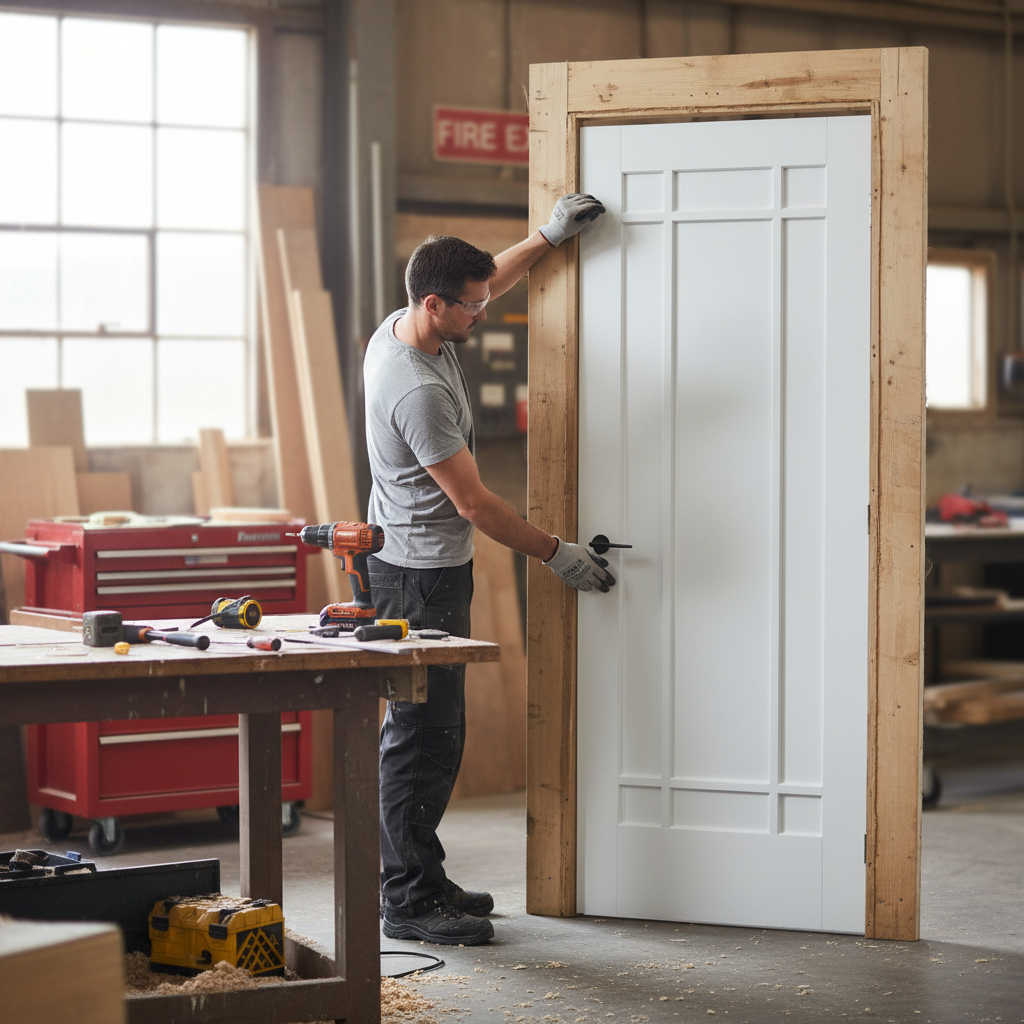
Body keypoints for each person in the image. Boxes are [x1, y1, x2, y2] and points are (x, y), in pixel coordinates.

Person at [366, 194, 614, 946]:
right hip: (418, 577)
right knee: (420, 736)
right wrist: (557, 554)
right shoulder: (416, 389)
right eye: (472, 309)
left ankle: (422, 876)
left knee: (439, 732)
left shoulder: (413, 320)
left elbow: (488, 280)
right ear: (435, 304)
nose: (484, 315)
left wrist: (546, 237)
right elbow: (474, 503)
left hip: (424, 567)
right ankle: (408, 900)